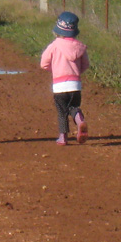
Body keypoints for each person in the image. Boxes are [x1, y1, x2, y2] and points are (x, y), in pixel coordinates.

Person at [40, 11, 90, 146]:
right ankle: (79, 119)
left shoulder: (54, 46)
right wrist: (76, 73)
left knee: (62, 111)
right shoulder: (80, 47)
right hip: (75, 85)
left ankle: (63, 137)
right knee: (74, 106)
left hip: (59, 85)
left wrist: (54, 69)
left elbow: (43, 63)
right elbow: (86, 65)